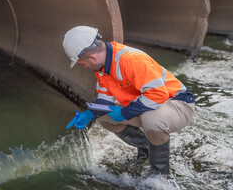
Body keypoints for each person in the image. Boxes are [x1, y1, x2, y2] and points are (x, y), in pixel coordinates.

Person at [63, 26, 195, 175]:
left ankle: (160, 173)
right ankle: (146, 148)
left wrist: (125, 113)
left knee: (152, 120)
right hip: (148, 105)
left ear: (92, 58)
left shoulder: (130, 59)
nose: (84, 67)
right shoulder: (102, 68)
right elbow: (105, 100)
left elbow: (157, 94)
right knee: (103, 117)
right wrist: (89, 114)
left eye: (82, 64)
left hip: (178, 103)